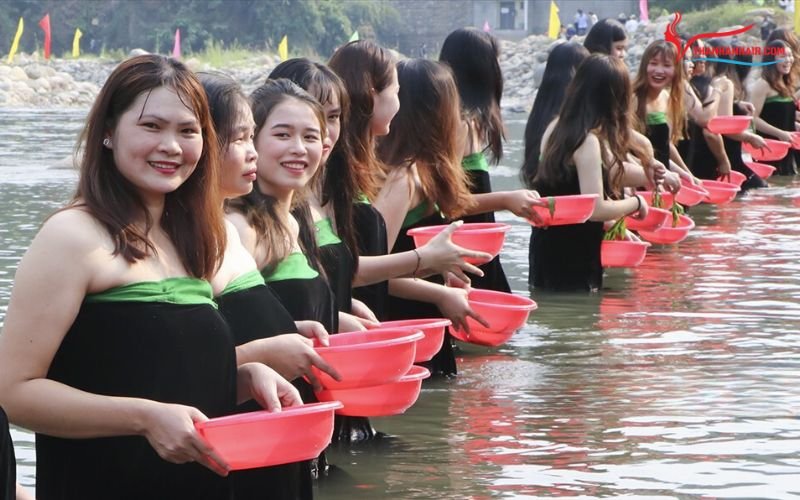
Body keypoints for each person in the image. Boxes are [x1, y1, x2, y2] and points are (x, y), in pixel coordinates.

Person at [0, 55, 300, 500]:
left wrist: (244, 377)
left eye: (187, 130)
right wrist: (143, 418)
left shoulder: (189, 239)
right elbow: (13, 392)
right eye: (151, 126)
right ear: (107, 131)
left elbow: (156, 372)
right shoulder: (72, 235)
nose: (172, 146)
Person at [200, 72, 339, 499]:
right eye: (281, 134)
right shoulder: (234, 229)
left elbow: (236, 323)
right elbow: (176, 364)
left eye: (312, 135)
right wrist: (265, 351)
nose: (299, 148)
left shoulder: (294, 220)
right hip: (245, 441)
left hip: (284, 427)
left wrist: (295, 329)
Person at [531, 55, 649, 291]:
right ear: (615, 100)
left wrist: (650, 175)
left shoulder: (555, 128)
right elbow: (594, 209)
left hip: (544, 249)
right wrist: (635, 203)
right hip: (574, 254)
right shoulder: (587, 142)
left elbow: (571, 188)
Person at [439, 28, 541, 294]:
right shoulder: (460, 124)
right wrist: (506, 200)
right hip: (464, 248)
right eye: (495, 61)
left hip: (475, 245)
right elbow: (447, 203)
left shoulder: (466, 120)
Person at [705, 40, 769, 189]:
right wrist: (750, 137)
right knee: (760, 189)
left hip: (714, 156)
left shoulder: (705, 84)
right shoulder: (723, 84)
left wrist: (736, 104)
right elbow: (722, 126)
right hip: (726, 158)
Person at [749, 40, 796, 175]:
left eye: (789, 55)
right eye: (782, 57)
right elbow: (753, 119)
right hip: (769, 147)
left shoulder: (786, 83)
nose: (788, 60)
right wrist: (780, 134)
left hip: (787, 146)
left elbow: (783, 117)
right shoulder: (763, 84)